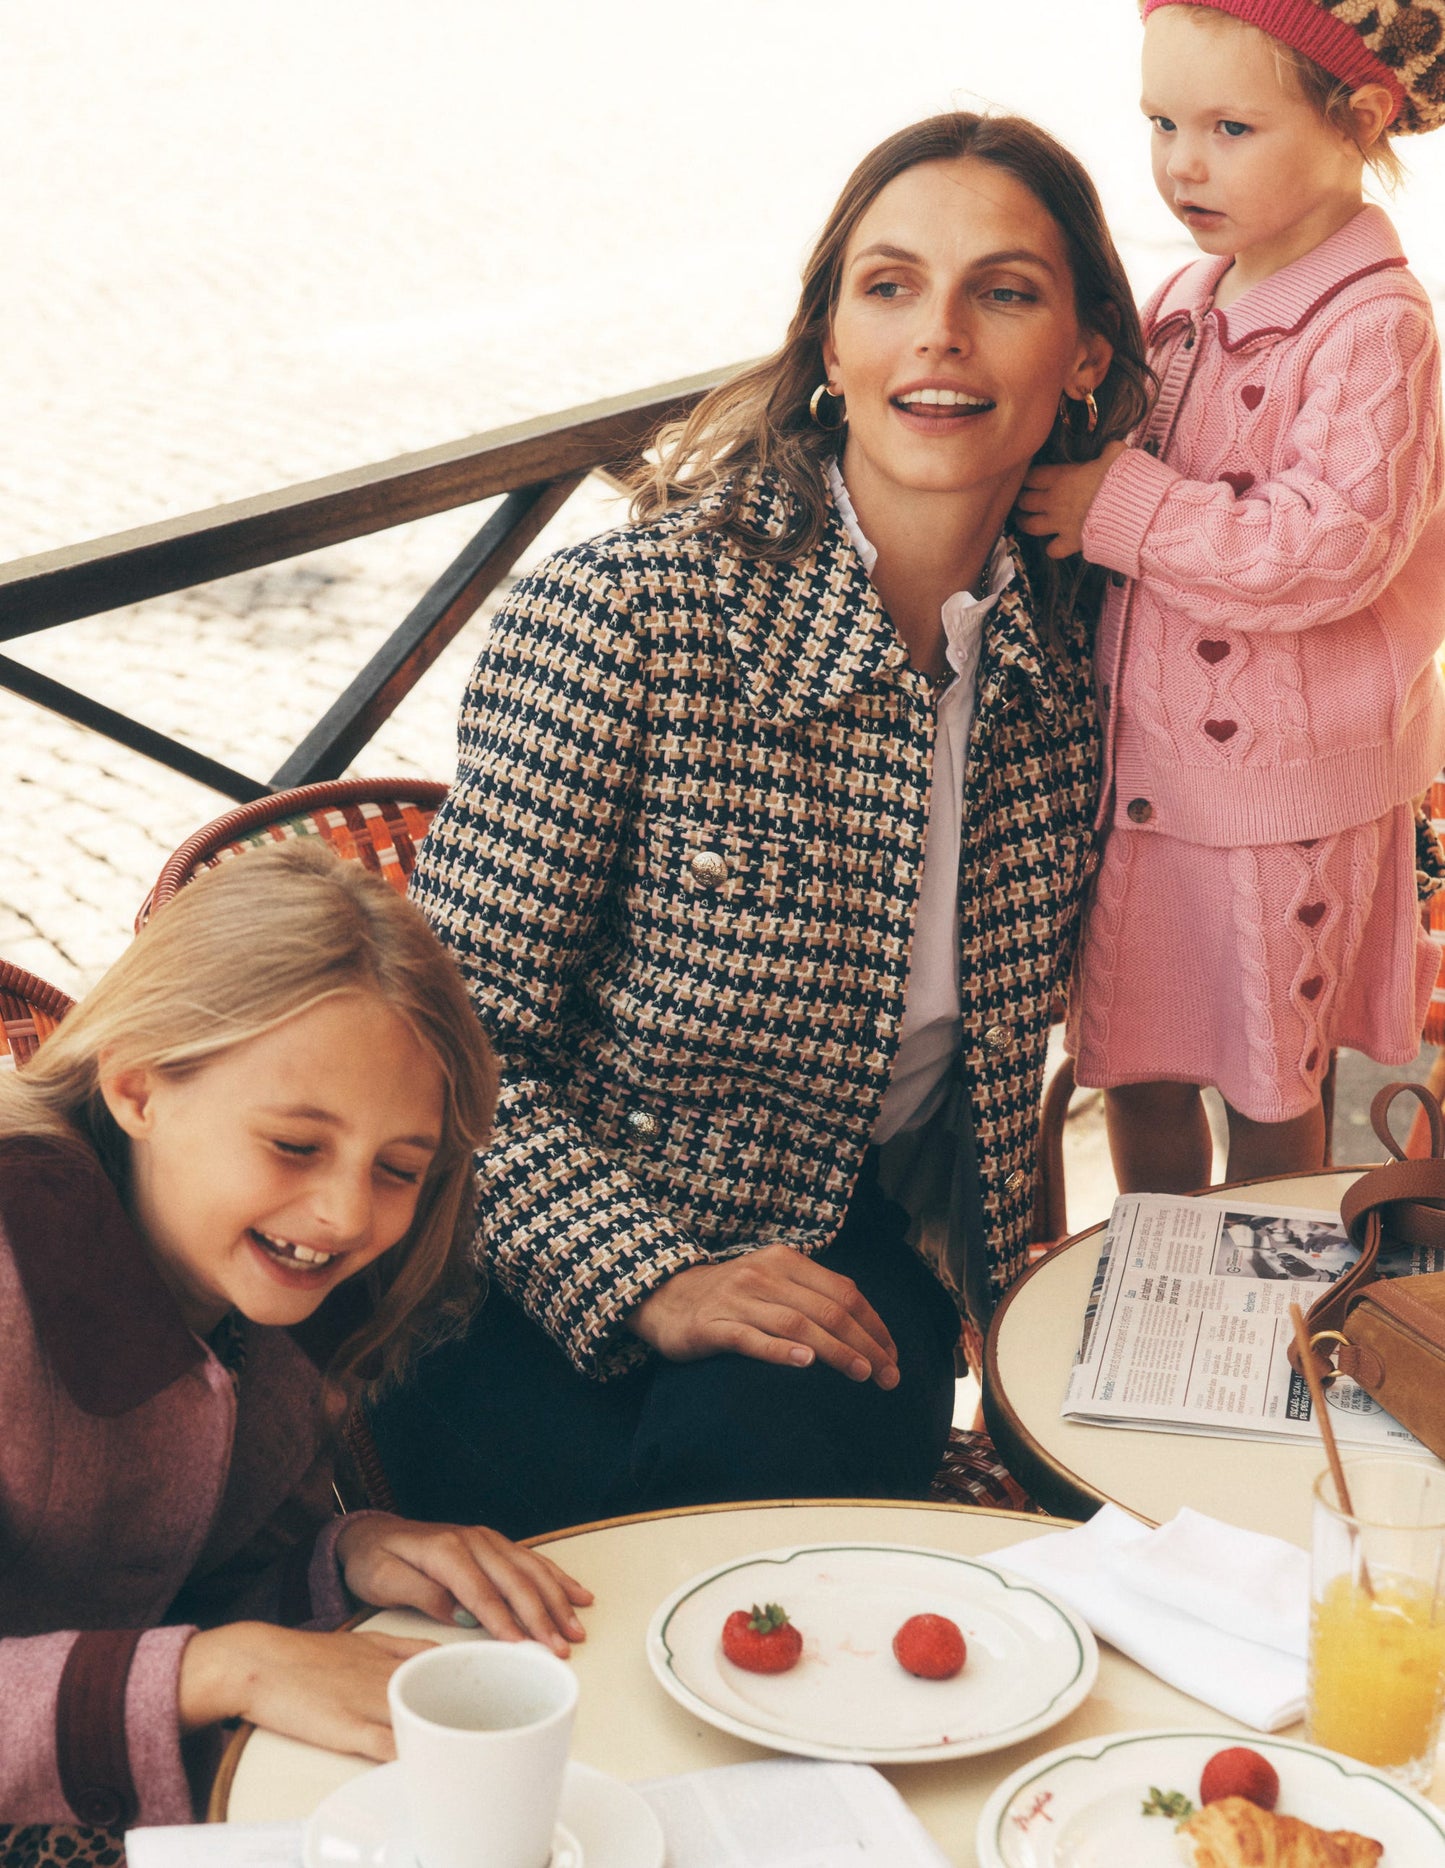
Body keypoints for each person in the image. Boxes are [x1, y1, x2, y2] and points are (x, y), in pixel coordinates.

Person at [369, 111, 1151, 1538]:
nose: (944, 337)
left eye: (1008, 291)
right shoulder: (625, 616)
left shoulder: (1075, 678)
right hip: (525, 1246)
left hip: (836, 1274)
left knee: (790, 1478)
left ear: (1084, 357)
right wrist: (650, 1276)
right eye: (891, 286)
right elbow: (434, 1053)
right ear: (832, 343)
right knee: (627, 1531)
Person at [0, 843, 592, 1835]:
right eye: (295, 1145)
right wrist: (221, 1665)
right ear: (138, 1086)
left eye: (399, 1167)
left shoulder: (286, 1305)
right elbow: (196, 1655)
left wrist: (343, 1556)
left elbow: (175, 1588)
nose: (344, 1214)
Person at [1018, 0, 1445, 1193]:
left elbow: (1330, 546)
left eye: (1227, 126)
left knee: (1271, 1080)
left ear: (1356, 118)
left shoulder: (1375, 327)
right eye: (1159, 122)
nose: (1179, 163)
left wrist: (1119, 506)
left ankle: (1260, 1303)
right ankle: (1156, 1288)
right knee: (1136, 1066)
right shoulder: (1187, 298)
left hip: (1278, 806)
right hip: (1146, 785)